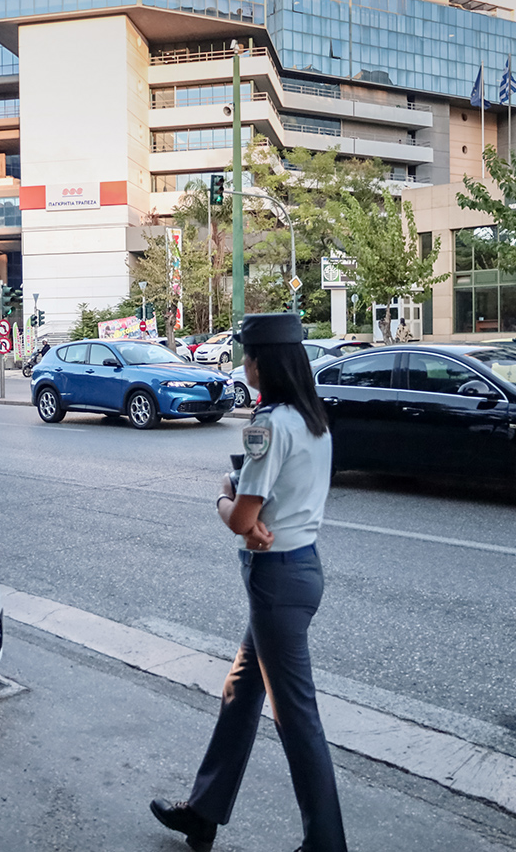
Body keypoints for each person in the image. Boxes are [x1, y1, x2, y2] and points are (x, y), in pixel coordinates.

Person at [150, 312, 346, 852]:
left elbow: (240, 519)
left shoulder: (267, 425)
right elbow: (278, 496)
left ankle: (326, 844)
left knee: (295, 717)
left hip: (275, 580)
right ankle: (204, 812)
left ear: (265, 363)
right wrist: (251, 505)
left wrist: (222, 493)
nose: (243, 365)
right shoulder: (314, 419)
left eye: (248, 357)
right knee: (242, 689)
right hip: (302, 568)